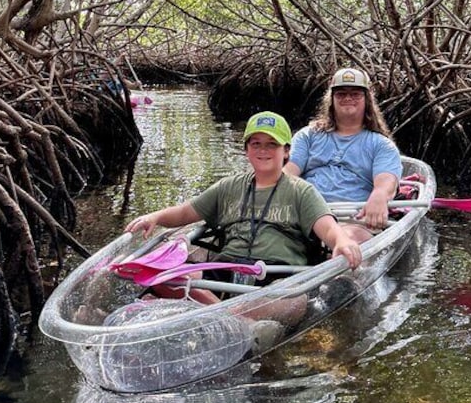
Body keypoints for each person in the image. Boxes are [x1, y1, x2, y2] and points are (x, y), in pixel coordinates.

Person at [124, 111, 362, 324]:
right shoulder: (228, 186)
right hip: (227, 265)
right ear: (246, 149)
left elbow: (328, 228)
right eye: (256, 143)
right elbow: (187, 212)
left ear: (286, 151)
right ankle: (233, 321)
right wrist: (155, 216)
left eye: (272, 144)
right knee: (161, 276)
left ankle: (213, 315)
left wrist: (341, 242)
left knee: (295, 301)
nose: (263, 150)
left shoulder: (302, 191)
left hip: (276, 274)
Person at [283, 67, 402, 242]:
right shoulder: (308, 136)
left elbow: (386, 183)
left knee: (349, 241)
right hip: (307, 214)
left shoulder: (381, 145)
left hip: (353, 220)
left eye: (355, 94)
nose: (348, 98)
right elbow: (288, 172)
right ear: (331, 99)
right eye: (341, 94)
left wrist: (380, 196)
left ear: (366, 99)